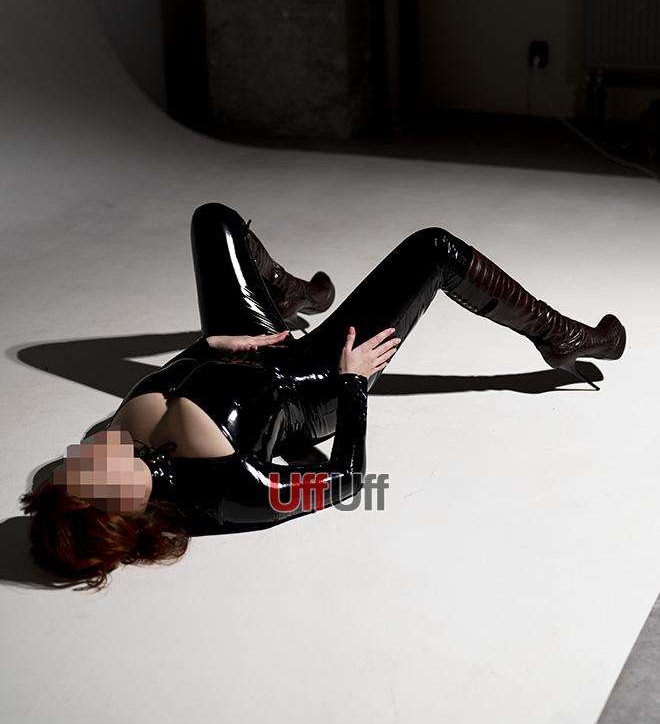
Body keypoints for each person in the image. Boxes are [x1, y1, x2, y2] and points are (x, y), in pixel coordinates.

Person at [20, 202, 626, 590]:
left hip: (242, 346)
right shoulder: (226, 493)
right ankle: (562, 338)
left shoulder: (113, 447)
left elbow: (176, 382)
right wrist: (353, 383)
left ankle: (288, 296)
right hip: (318, 376)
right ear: (121, 504)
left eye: (75, 461)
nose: (81, 451)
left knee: (214, 221)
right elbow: (346, 481)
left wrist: (210, 344)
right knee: (434, 249)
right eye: (85, 469)